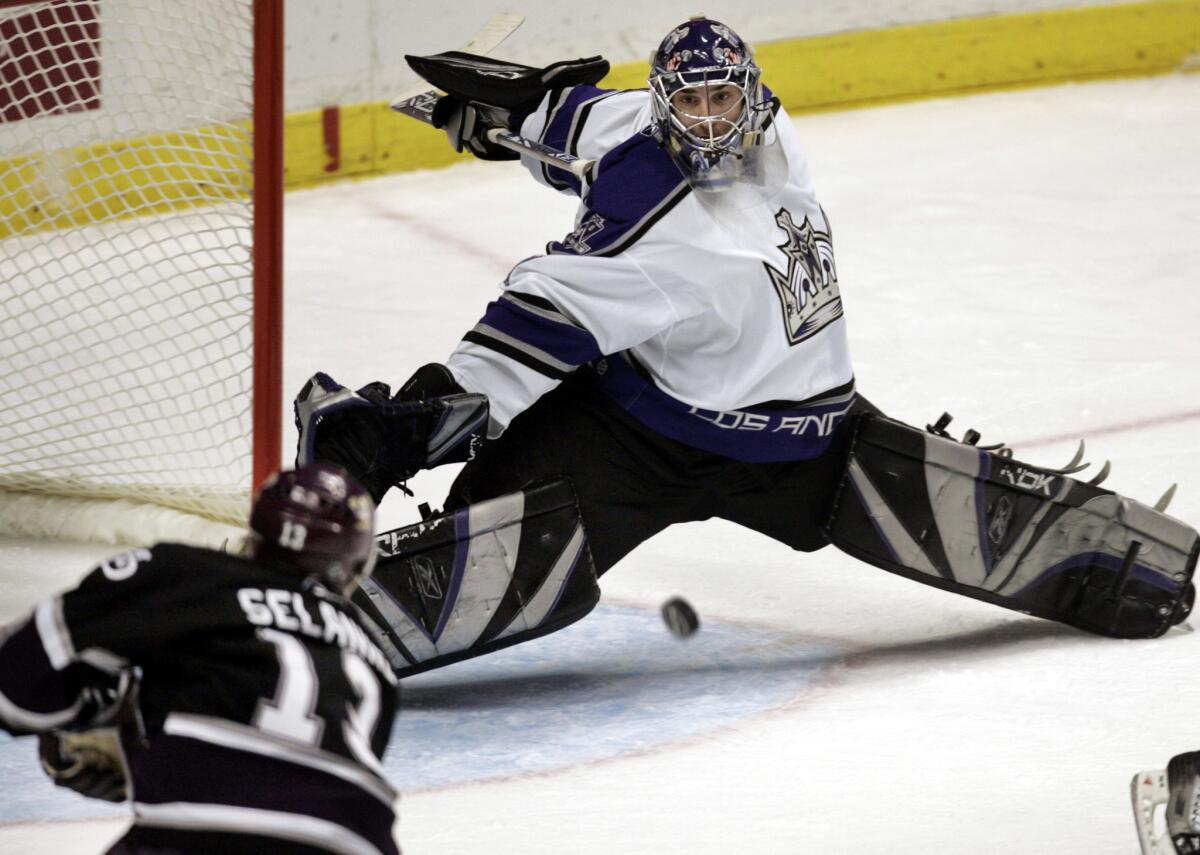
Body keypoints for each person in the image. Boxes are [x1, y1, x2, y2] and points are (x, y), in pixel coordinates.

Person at [295, 18, 1197, 676]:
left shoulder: (717, 189)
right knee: (484, 516)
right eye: (689, 102)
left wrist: (400, 428)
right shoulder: (658, 214)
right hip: (638, 437)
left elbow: (567, 131)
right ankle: (295, 637)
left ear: (754, 94)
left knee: (493, 516)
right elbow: (522, 320)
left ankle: (1130, 560)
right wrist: (514, 125)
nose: (713, 119)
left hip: (803, 443)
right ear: (663, 109)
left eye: (726, 96)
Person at [0, 463, 401, 855]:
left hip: (202, 820)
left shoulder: (187, 573)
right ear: (353, 565)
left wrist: (85, 715)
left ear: (254, 535)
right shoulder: (375, 659)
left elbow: (15, 682)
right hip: (358, 836)